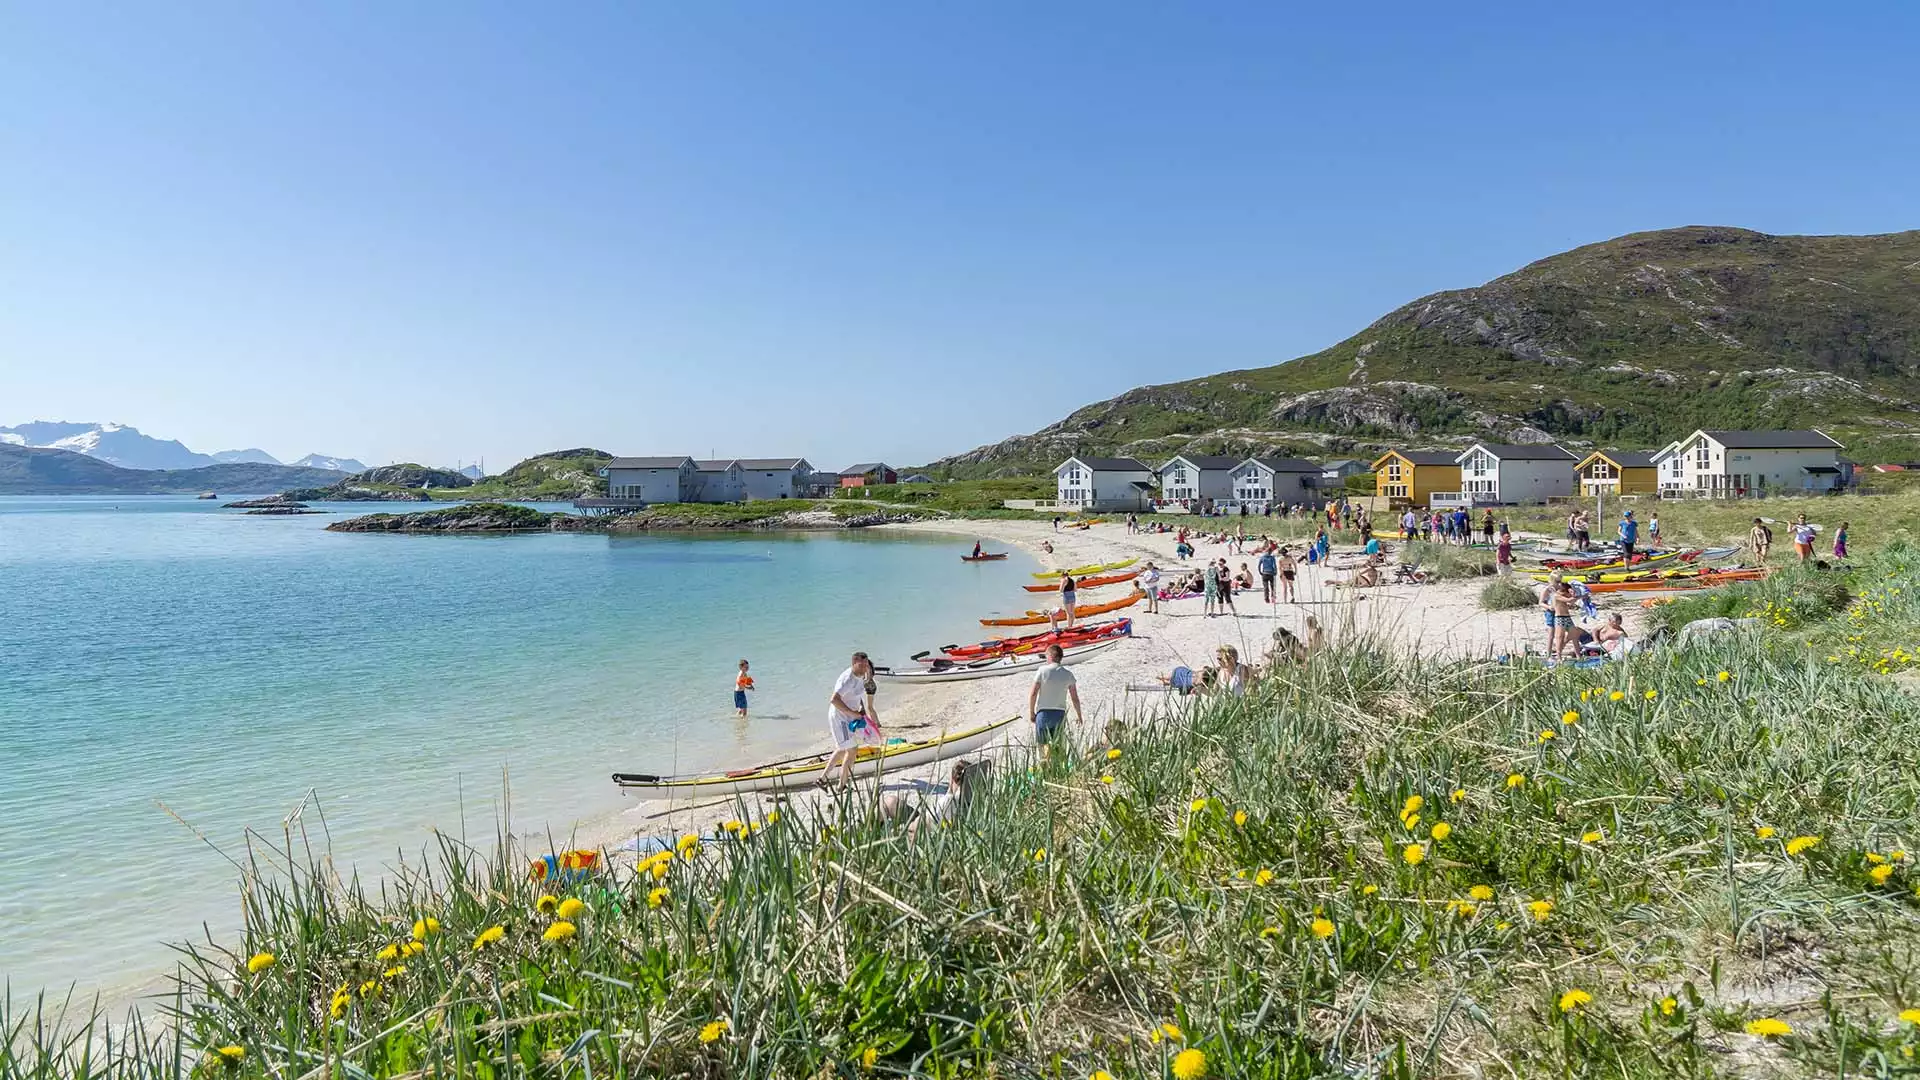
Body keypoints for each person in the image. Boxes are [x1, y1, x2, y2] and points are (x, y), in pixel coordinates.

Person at [821, 652, 881, 792]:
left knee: (843, 748)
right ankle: (841, 786)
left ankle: (822, 779)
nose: (865, 667)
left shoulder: (861, 676)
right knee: (852, 750)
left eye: (866, 664)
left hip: (850, 716)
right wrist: (853, 714)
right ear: (854, 663)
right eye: (861, 665)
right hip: (840, 717)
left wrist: (861, 712)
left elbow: (857, 696)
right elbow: (834, 700)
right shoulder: (847, 679)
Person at [1028, 643, 1083, 745]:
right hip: (1059, 714)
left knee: (1043, 746)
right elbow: (1075, 698)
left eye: (1046, 656)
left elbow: (1033, 693)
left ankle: (1046, 761)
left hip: (1043, 713)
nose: (1046, 659)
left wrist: (1031, 712)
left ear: (1051, 656)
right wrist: (1079, 716)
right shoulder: (1068, 674)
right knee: (1058, 747)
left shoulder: (1042, 670)